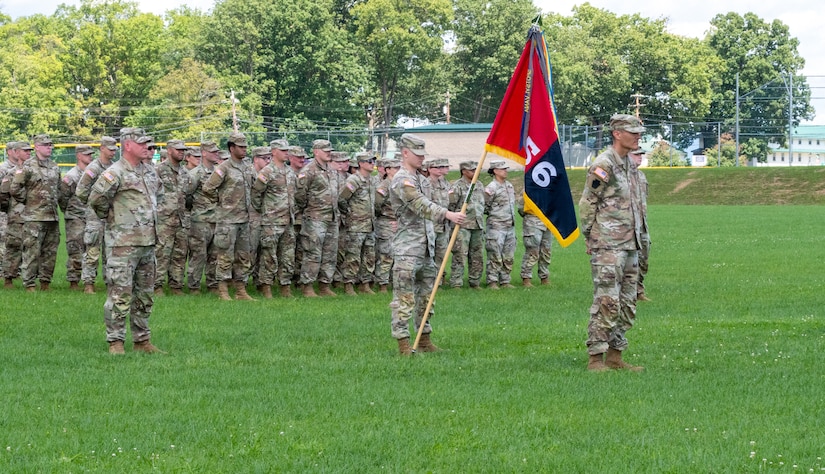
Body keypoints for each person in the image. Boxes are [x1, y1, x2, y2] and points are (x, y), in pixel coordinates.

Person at [88, 128, 164, 354]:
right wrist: (114, 220)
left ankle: (142, 340)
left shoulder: (149, 171)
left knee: (144, 295)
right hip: (123, 244)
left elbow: (157, 198)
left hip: (147, 242)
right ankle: (116, 341)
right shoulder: (116, 172)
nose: (146, 147)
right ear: (127, 145)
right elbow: (97, 199)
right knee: (119, 294)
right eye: (141, 143)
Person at [579, 114, 645, 372]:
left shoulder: (629, 164)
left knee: (628, 302)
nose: (638, 135)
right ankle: (596, 357)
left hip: (630, 244)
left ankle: (616, 356)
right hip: (608, 245)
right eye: (633, 131)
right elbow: (588, 203)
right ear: (617, 133)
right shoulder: (603, 164)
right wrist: (590, 237)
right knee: (607, 301)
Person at [389, 133, 465, 355]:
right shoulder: (401, 179)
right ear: (405, 153)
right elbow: (420, 205)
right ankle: (403, 343)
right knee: (404, 298)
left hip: (426, 248)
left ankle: (424, 340)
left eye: (423, 154)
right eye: (417, 154)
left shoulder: (423, 180)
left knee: (427, 298)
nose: (422, 158)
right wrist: (448, 215)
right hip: (408, 249)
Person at [201, 132, 256, 301]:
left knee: (243, 256)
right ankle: (223, 291)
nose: (244, 149)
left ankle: (240, 290)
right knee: (225, 256)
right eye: (241, 147)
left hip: (244, 219)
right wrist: (222, 203)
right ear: (232, 148)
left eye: (246, 146)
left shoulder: (248, 166)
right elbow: (208, 188)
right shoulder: (224, 168)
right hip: (227, 220)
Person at [11, 134, 61, 292]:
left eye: (50, 144)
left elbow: (58, 189)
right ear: (37, 147)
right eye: (45, 145)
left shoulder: (54, 166)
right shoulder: (27, 166)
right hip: (34, 217)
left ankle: (45, 283)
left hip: (52, 216)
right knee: (32, 251)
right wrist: (28, 201)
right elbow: (14, 188)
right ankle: (29, 284)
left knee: (50, 252)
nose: (49, 147)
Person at [250, 140, 296, 298]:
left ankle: (285, 287)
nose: (286, 153)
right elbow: (256, 193)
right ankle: (266, 287)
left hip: (288, 221)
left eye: (287, 150)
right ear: (274, 152)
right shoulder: (267, 172)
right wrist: (263, 210)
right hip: (271, 221)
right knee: (269, 256)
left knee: (288, 256)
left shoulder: (290, 172)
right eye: (283, 150)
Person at [295, 139, 340, 297]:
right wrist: (308, 209)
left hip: (332, 218)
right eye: (325, 150)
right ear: (316, 152)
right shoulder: (308, 170)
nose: (329, 152)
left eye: (329, 150)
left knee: (330, 253)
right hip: (315, 218)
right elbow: (300, 195)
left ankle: (324, 285)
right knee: (313, 253)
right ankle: (307, 286)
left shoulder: (332, 170)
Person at [75, 136, 117, 294]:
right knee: (92, 251)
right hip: (95, 217)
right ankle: (88, 283)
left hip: (110, 215)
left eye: (115, 150)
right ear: (102, 148)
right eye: (110, 149)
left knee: (111, 252)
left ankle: (110, 282)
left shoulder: (113, 167)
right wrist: (94, 204)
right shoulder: (94, 168)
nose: (113, 152)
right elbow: (81, 191)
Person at [154, 139, 190, 296]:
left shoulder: (184, 172)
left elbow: (187, 196)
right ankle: (157, 285)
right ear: (169, 150)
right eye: (178, 149)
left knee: (180, 254)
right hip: (164, 220)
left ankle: (176, 285)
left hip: (181, 220)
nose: (182, 152)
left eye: (183, 150)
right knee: (161, 253)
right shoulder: (158, 170)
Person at [338, 152, 377, 295]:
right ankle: (348, 284)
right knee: (353, 256)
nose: (372, 163)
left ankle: (365, 284)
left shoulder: (372, 180)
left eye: (373, 161)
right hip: (356, 225)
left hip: (370, 224)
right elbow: (342, 199)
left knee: (369, 255)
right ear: (361, 163)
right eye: (369, 161)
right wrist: (350, 213)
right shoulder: (354, 180)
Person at [186, 140, 220, 295]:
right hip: (200, 220)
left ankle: (213, 284)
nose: (216, 154)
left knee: (215, 255)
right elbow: (187, 195)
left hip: (216, 219)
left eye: (217, 151)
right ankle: (194, 286)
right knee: (199, 255)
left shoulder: (219, 172)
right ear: (204, 153)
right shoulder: (195, 174)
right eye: (213, 152)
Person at [59, 144, 95, 290]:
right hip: (75, 217)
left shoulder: (92, 173)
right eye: (87, 154)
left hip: (90, 216)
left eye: (91, 154)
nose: (90, 157)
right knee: (75, 249)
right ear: (79, 156)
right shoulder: (71, 176)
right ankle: (73, 281)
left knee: (90, 250)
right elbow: (62, 198)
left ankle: (88, 280)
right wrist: (71, 212)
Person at [0, 141, 33, 288]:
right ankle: (7, 274)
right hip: (11, 212)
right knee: (9, 244)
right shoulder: (4, 169)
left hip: (29, 213)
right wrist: (7, 208)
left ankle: (20, 273)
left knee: (28, 244)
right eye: (15, 150)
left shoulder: (30, 169)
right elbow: (3, 193)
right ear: (10, 152)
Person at [448, 160, 485, 288]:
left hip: (477, 224)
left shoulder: (479, 185)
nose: (476, 172)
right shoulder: (457, 186)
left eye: (476, 169)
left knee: (477, 255)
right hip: (462, 226)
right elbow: (451, 205)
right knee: (460, 255)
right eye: (472, 170)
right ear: (464, 171)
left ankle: (475, 282)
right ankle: (456, 283)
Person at [483, 160, 516, 289]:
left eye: (506, 169)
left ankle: (505, 280)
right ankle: (492, 280)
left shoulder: (509, 186)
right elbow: (485, 206)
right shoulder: (491, 187)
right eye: (502, 169)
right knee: (495, 254)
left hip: (510, 226)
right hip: (496, 226)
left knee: (508, 255)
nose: (505, 171)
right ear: (495, 171)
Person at [373, 158, 399, 294]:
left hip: (398, 223)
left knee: (397, 254)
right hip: (386, 222)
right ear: (387, 170)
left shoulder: (399, 184)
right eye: (395, 168)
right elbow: (377, 204)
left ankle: (394, 282)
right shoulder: (384, 185)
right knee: (386, 254)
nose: (398, 171)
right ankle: (382, 284)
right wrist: (383, 215)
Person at [629, 148, 651, 301]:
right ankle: (626, 293)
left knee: (643, 258)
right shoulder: (619, 176)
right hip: (626, 227)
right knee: (627, 262)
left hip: (642, 225)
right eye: (636, 154)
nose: (640, 157)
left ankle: (639, 290)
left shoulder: (641, 176)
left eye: (641, 155)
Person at [425, 158, 451, 277]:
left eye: (442, 167)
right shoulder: (425, 184)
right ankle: (428, 278)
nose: (440, 170)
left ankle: (439, 279)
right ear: (429, 169)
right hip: (431, 224)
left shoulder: (445, 184)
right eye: (437, 167)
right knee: (429, 254)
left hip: (443, 225)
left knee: (441, 254)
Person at [518, 201, 553, 288]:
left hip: (548, 220)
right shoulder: (530, 187)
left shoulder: (551, 187)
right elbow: (521, 207)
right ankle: (526, 278)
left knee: (546, 251)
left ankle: (544, 277)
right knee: (532, 251)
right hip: (533, 220)